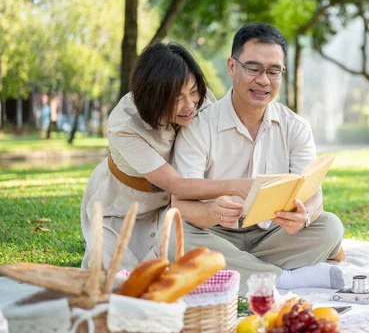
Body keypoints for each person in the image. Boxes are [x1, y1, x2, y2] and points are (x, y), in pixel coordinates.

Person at [169, 23, 345, 295]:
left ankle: (235, 271)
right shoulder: (198, 127)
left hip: (274, 234)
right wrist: (211, 211)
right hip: (214, 233)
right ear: (231, 66)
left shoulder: (295, 126)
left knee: (330, 227)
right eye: (253, 68)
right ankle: (283, 279)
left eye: (274, 71)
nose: (264, 80)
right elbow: (180, 204)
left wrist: (305, 216)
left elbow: (314, 196)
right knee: (172, 237)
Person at [80, 42, 252, 270]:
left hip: (171, 210)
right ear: (153, 96)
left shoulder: (202, 101)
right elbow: (176, 184)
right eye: (176, 98)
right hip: (122, 209)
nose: (189, 105)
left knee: (176, 270)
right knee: (116, 279)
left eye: (193, 91)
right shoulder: (125, 125)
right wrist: (235, 186)